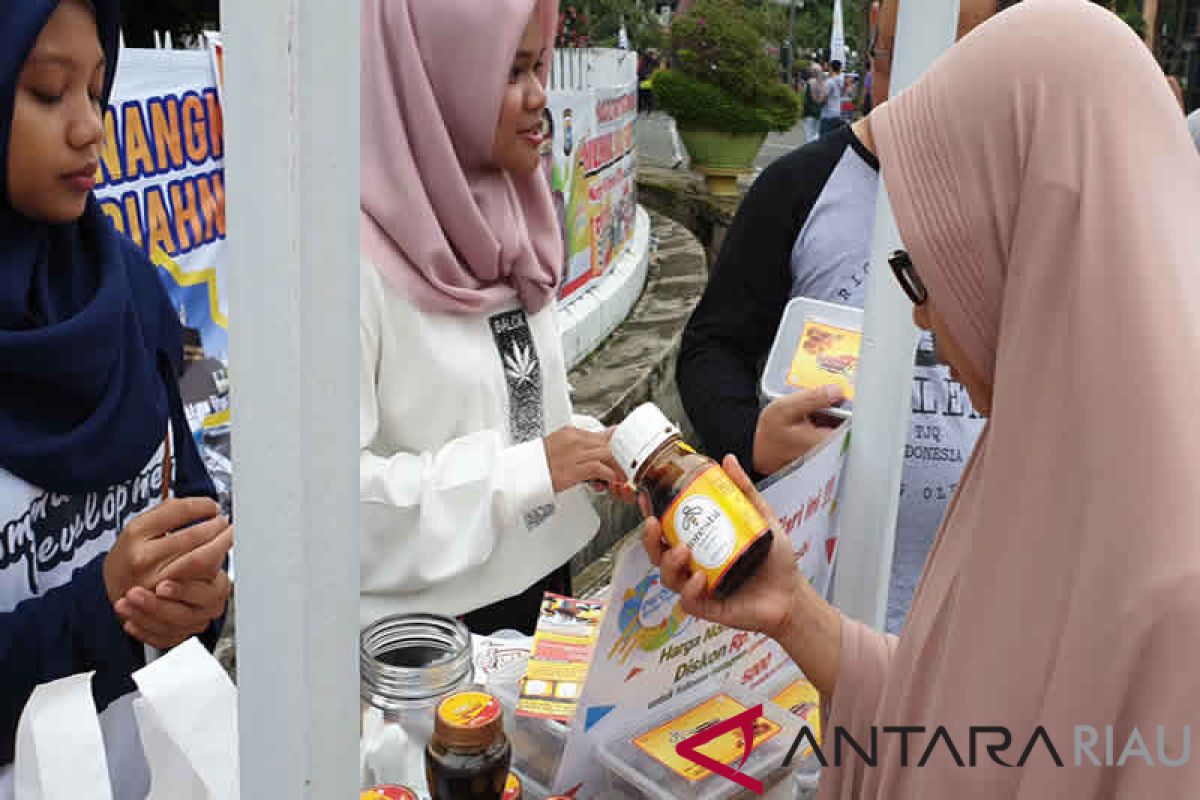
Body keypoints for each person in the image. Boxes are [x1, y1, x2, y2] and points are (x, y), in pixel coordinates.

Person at [649, 1, 1200, 796]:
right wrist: (794, 610)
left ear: (1033, 241)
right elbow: (978, 731)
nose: (922, 315)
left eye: (927, 267)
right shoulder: (1043, 464)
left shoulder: (1175, 608)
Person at [676, 0, 1012, 635]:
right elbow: (710, 348)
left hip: (978, 614)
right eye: (902, 51)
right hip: (807, 608)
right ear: (874, 47)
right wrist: (751, 439)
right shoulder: (799, 187)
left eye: (963, 53)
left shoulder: (1026, 199)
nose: (932, 82)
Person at [0, 2, 234, 797]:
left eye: (96, 91)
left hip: (160, 767)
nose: (88, 128)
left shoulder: (125, 288)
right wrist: (102, 609)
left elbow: (188, 498)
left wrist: (197, 594)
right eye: (46, 92)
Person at [359, 0, 628, 636]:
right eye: (511, 72)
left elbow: (518, 415)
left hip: (541, 588)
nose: (540, 98)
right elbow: (331, 502)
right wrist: (532, 472)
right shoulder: (350, 266)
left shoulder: (510, 218)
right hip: (423, 641)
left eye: (541, 66)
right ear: (436, 79)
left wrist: (603, 452)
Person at [819, 60, 846, 136]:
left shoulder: (829, 82)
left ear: (831, 68)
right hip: (837, 112)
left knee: (823, 139)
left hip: (827, 114)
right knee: (833, 139)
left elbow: (824, 97)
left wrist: (818, 103)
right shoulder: (841, 82)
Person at [801, 65, 824, 144]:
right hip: (819, 112)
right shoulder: (822, 84)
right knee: (816, 134)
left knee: (808, 134)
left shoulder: (808, 83)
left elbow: (804, 98)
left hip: (808, 112)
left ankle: (808, 151)